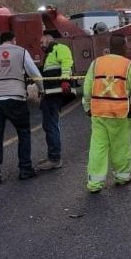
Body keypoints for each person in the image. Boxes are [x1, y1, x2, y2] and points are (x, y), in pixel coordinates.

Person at [82, 34, 131, 194]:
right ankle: (122, 177)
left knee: (98, 147)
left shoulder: (96, 63)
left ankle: (94, 184)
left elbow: (87, 89)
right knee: (121, 146)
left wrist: (87, 107)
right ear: (124, 47)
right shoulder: (129, 65)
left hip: (98, 112)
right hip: (120, 113)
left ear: (110, 47)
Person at [0, 32, 45, 187]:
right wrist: (41, 89)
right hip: (17, 98)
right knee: (23, 133)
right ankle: (25, 169)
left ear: (1, 41)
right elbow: (34, 73)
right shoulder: (21, 51)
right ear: (13, 40)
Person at [38, 34, 74, 171]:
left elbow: (67, 62)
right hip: (51, 92)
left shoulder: (60, 48)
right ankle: (52, 156)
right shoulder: (49, 54)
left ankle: (55, 158)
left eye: (42, 42)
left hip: (56, 92)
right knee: (48, 125)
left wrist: (65, 80)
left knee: (51, 125)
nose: (41, 45)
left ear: (49, 40)